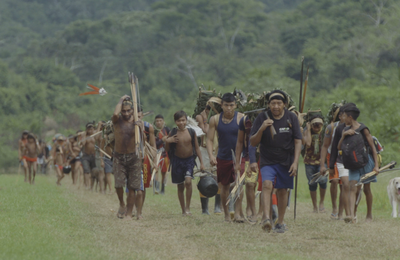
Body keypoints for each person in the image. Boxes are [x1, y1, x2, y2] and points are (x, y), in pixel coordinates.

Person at [250, 90, 302, 233]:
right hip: (267, 159)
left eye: (279, 103)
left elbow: (298, 141)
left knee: (282, 190)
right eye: (273, 103)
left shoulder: (291, 117)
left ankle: (280, 221)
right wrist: (262, 128)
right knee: (266, 185)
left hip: (286, 160)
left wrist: (296, 162)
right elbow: (253, 142)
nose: (276, 106)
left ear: (284, 104)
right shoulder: (261, 117)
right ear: (268, 105)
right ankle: (266, 218)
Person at [334, 103, 379, 223]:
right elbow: (339, 147)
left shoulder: (363, 129)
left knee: (366, 189)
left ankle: (369, 214)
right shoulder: (345, 129)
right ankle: (352, 216)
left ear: (350, 117)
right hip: (352, 163)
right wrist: (343, 136)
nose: (342, 118)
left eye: (343, 116)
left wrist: (376, 165)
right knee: (352, 187)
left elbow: (372, 147)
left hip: (365, 162)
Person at [207, 93, 244, 222]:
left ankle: (238, 213)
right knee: (224, 186)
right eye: (226, 105)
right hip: (222, 157)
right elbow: (209, 139)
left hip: (239, 157)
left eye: (231, 105)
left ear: (236, 105)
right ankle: (227, 214)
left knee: (240, 185)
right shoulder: (215, 119)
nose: (229, 108)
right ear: (221, 105)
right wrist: (211, 155)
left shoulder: (242, 118)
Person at [166, 110, 204, 216]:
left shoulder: (191, 132)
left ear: (186, 120)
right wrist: (168, 141)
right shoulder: (173, 132)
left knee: (188, 181)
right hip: (177, 161)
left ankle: (188, 207)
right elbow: (167, 148)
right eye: (179, 121)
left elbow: (196, 147)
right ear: (175, 122)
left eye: (183, 120)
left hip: (189, 161)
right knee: (180, 186)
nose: (181, 123)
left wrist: (201, 163)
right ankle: (183, 210)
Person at [112, 95, 143, 220]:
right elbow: (115, 114)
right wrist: (120, 100)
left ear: (133, 111)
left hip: (134, 157)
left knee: (132, 187)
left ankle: (129, 214)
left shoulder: (136, 123)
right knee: (118, 185)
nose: (125, 113)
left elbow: (142, 141)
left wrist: (140, 129)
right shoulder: (117, 121)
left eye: (128, 110)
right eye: (123, 110)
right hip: (119, 156)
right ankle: (122, 204)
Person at [320, 103, 345, 220]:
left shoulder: (354, 127)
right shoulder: (331, 128)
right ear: (339, 116)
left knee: (344, 184)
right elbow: (325, 146)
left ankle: (341, 210)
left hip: (346, 157)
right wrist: (322, 165)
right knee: (334, 181)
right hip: (332, 156)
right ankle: (335, 207)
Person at [195, 105, 222, 215]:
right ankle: (204, 209)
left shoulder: (221, 118)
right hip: (205, 150)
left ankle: (217, 207)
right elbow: (205, 130)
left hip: (218, 149)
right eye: (208, 109)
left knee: (218, 178)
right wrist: (207, 118)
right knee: (204, 177)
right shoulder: (200, 117)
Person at [235, 115, 258, 224]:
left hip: (267, 157)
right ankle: (252, 211)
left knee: (264, 185)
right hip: (249, 156)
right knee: (249, 184)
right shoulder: (245, 120)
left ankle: (263, 213)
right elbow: (240, 141)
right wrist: (237, 160)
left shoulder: (269, 117)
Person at [302, 115, 327, 213]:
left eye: (319, 125)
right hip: (309, 162)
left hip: (321, 162)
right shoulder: (306, 132)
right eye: (314, 125)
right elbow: (307, 143)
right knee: (312, 183)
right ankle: (314, 206)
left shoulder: (324, 133)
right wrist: (308, 129)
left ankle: (321, 202)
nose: (317, 127)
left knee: (323, 181)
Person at [80, 122, 103, 190]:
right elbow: (83, 144)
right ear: (86, 129)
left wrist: (99, 126)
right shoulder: (85, 136)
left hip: (93, 156)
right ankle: (87, 185)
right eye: (88, 128)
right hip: (86, 155)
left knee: (94, 171)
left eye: (91, 128)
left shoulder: (95, 135)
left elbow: (98, 137)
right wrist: (83, 135)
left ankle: (92, 186)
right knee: (87, 171)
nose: (90, 130)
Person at [154, 114, 171, 194]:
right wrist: (162, 140)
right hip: (156, 153)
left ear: (163, 122)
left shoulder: (167, 130)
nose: (159, 122)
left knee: (164, 172)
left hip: (165, 153)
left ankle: (162, 189)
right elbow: (153, 143)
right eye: (157, 121)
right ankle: (156, 188)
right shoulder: (153, 130)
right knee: (156, 170)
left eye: (160, 121)